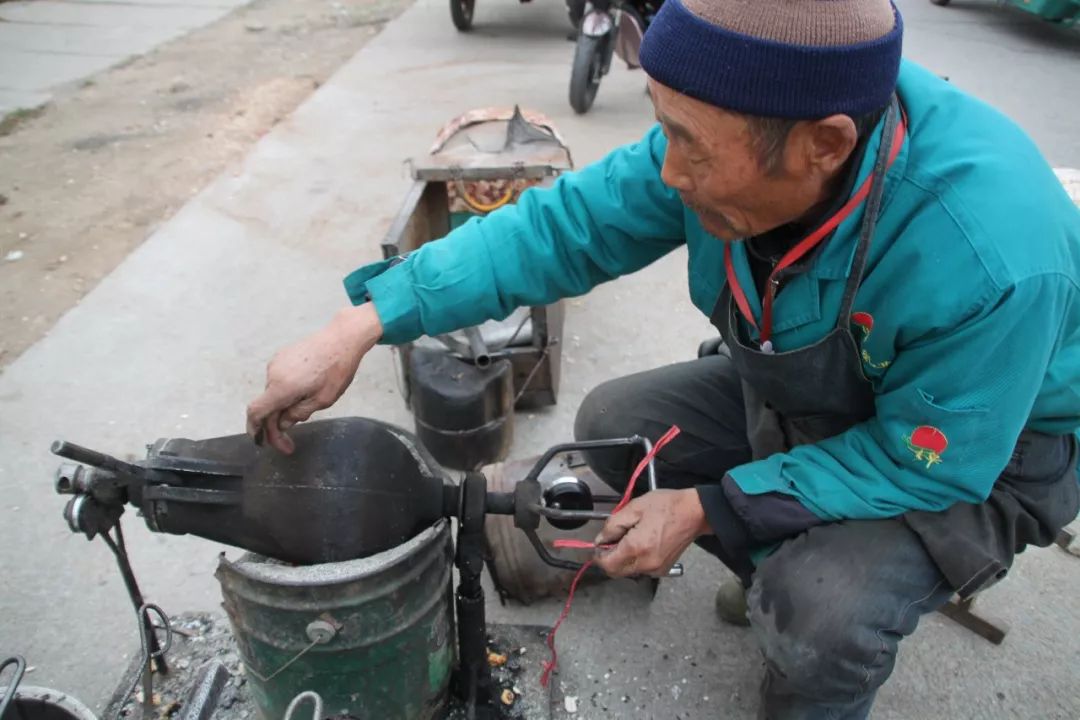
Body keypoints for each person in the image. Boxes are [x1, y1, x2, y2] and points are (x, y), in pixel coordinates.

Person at [246, 1, 1080, 717]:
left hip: (975, 448)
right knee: (620, 426)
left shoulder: (990, 255)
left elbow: (925, 462)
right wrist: (365, 320)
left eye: (691, 145)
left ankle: (803, 639)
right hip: (824, 387)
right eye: (661, 125)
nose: (669, 172)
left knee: (819, 612)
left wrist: (713, 505)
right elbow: (562, 228)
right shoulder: (738, 116)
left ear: (823, 145)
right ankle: (773, 548)